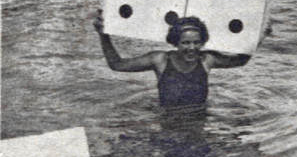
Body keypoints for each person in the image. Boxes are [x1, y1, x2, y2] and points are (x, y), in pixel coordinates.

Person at [94, 11, 253, 107]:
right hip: (168, 121)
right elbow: (117, 64)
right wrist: (103, 35)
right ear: (175, 42)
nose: (192, 48)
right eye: (185, 43)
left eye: (196, 42)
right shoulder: (160, 60)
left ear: (202, 42)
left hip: (199, 120)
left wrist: (259, 35)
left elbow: (242, 60)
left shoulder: (207, 59)